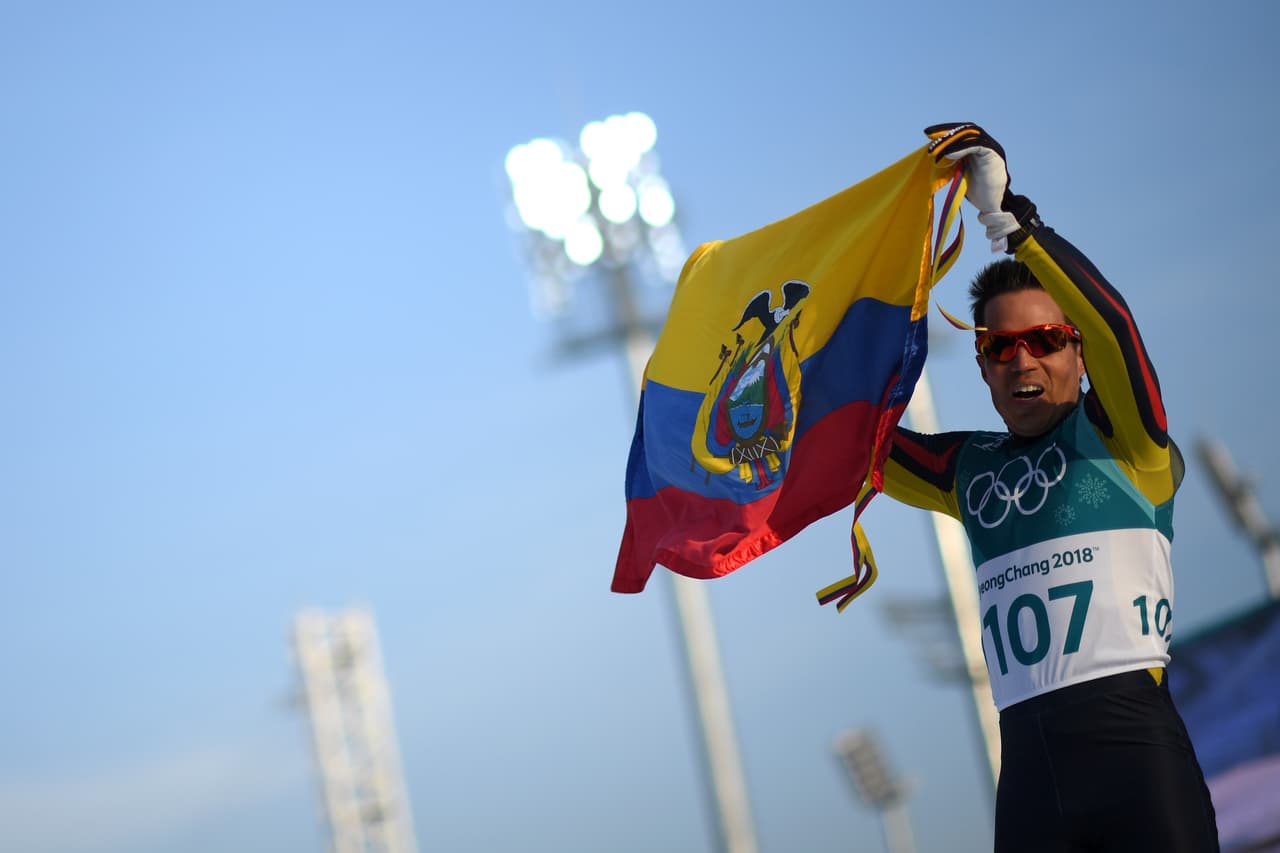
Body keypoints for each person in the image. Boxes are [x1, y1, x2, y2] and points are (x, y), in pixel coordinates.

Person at [882, 123, 1220, 852]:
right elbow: (846, 449)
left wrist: (1015, 225)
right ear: (979, 365)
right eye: (997, 346)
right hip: (1030, 782)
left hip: (1136, 758)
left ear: (1077, 350)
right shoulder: (966, 469)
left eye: (1044, 338)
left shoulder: (1126, 437)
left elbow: (1119, 330)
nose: (1020, 358)